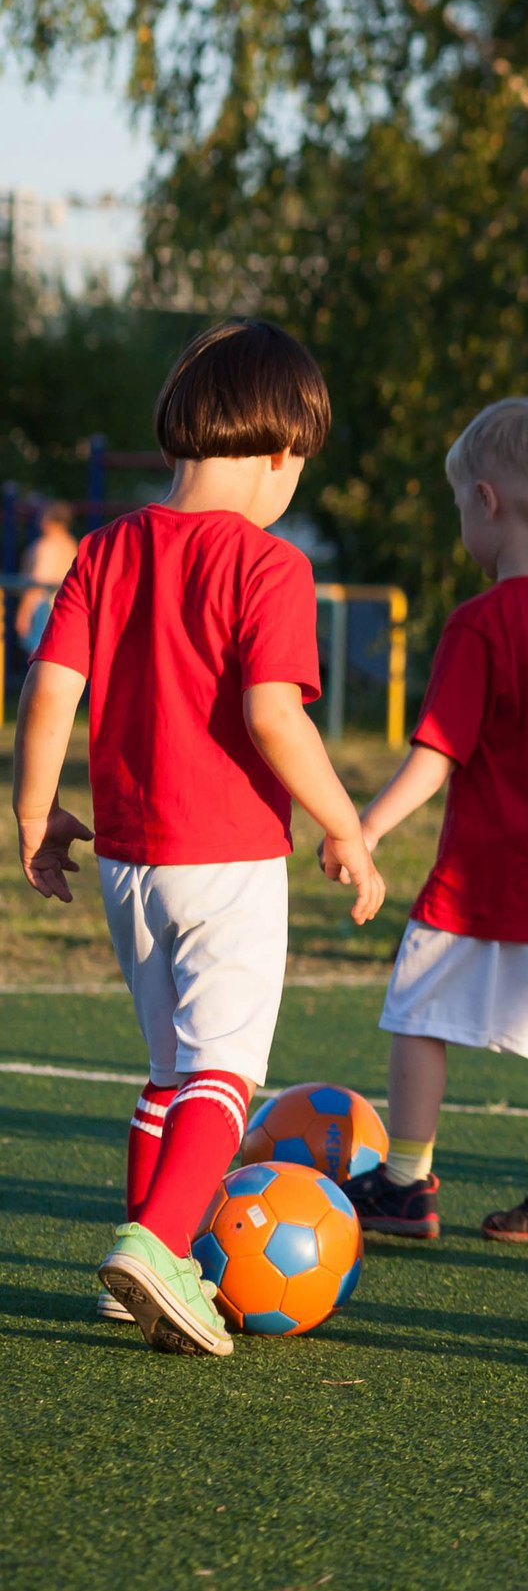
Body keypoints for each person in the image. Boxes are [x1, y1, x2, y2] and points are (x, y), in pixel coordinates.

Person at [12, 319, 386, 1355]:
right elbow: (275, 715)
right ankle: (159, 1246)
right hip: (225, 858)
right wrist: (345, 824)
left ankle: (137, 1260)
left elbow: (50, 691)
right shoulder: (268, 567)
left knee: (170, 1066)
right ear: (278, 451)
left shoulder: (105, 549)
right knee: (225, 1071)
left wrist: (34, 814)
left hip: (129, 860)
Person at [342, 398, 528, 1247]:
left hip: (480, 881)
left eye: (456, 510)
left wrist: (362, 829)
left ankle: (404, 1181)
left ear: (486, 501)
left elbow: (436, 757)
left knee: (417, 1014)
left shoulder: (481, 623)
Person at [15, 499, 78, 653]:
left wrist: (23, 613)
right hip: (65, 606)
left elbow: (38, 581)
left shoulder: (46, 546)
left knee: (37, 658)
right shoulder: (71, 544)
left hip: (43, 608)